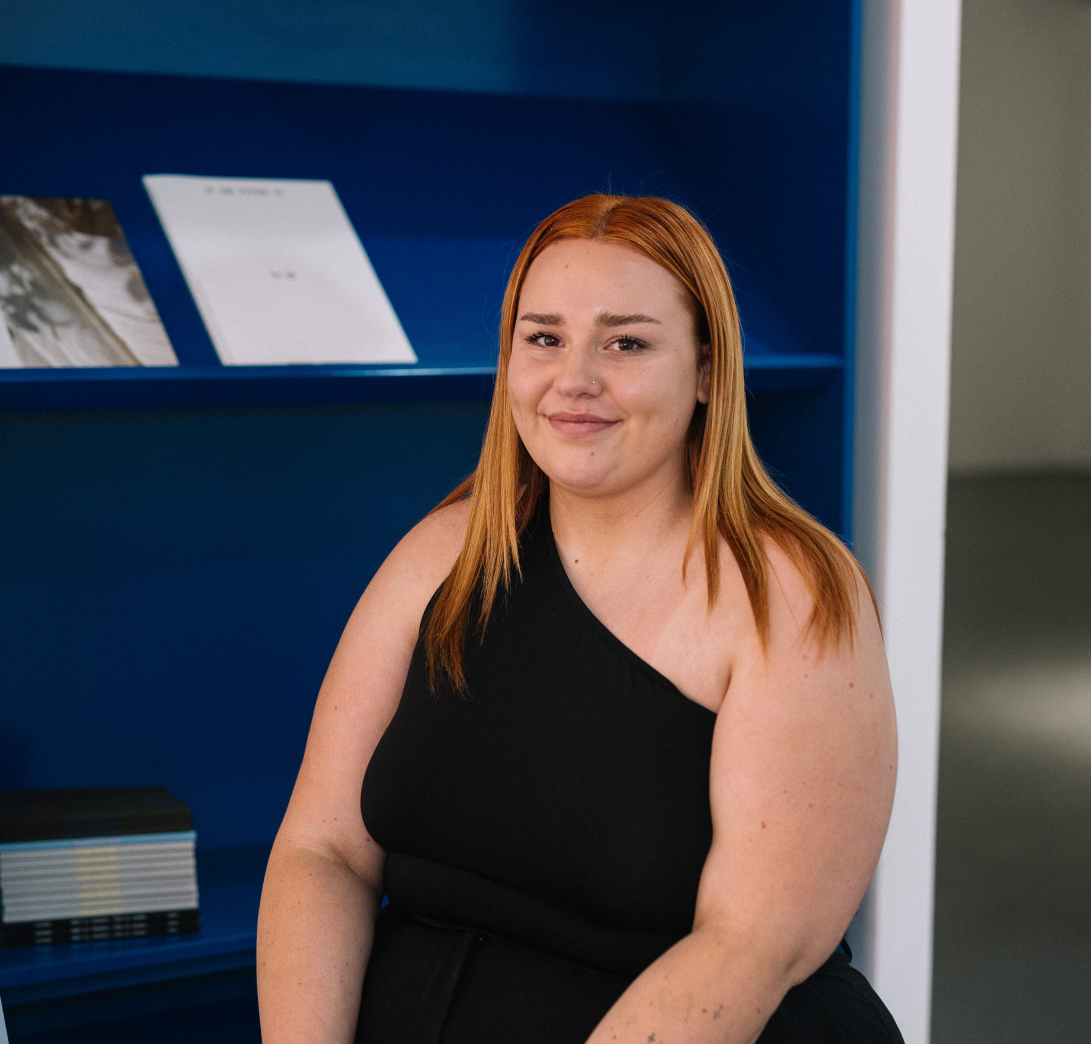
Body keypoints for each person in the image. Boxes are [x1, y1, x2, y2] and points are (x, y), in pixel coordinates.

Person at [256, 194, 903, 1044]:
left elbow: (751, 945)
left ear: (708, 371)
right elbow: (322, 851)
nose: (575, 379)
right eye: (545, 337)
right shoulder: (441, 555)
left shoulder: (791, 594)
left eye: (626, 342)